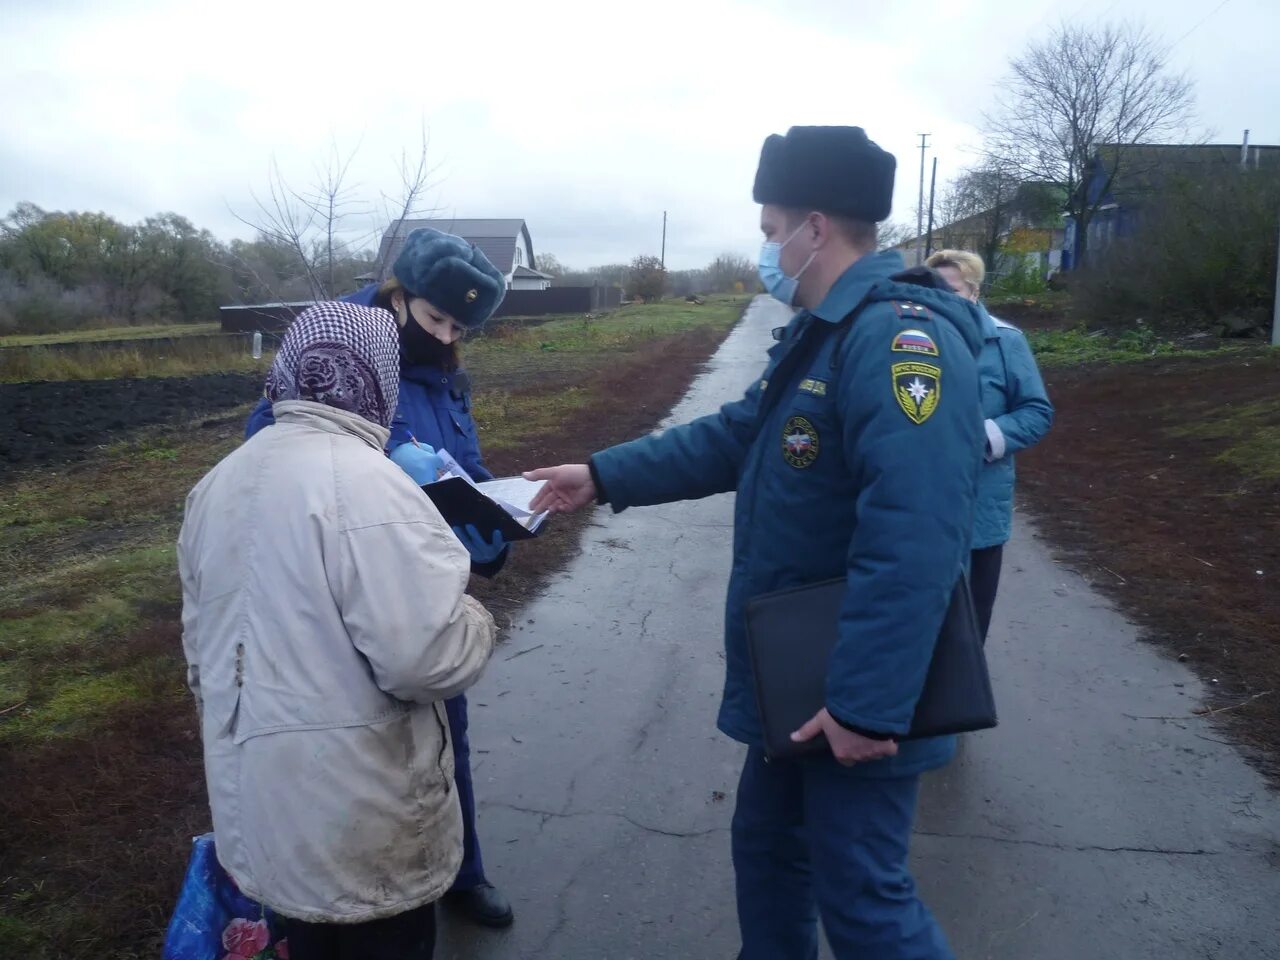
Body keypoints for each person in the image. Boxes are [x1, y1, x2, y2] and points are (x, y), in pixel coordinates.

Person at [526, 126, 987, 959]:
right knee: (770, 859)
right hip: (795, 683)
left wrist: (864, 706)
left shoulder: (897, 341)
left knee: (866, 905)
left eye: (772, 230)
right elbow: (744, 435)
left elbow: (917, 538)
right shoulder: (828, 331)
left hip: (847, 689)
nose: (768, 248)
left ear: (816, 228)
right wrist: (601, 474)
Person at [178, 301, 497, 959]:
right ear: (379, 377)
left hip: (262, 811)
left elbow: (199, 653)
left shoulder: (215, 486)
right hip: (360, 831)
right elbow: (425, 660)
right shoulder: (375, 487)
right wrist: (475, 618)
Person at [243, 228, 517, 927]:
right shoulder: (332, 349)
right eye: (435, 318)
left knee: (439, 738)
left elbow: (463, 456)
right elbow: (270, 442)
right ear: (399, 295)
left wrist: (488, 514)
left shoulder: (444, 371)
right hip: (339, 596)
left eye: (461, 327)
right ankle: (344, 904)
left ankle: (460, 873)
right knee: (352, 757)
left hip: (421, 591)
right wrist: (386, 461)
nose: (447, 335)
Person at [925, 249, 1054, 642]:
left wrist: (982, 438)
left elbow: (1035, 412)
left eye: (953, 290)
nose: (944, 300)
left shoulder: (1005, 342)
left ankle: (963, 702)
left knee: (968, 627)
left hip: (980, 512)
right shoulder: (910, 340)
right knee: (916, 623)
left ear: (974, 292)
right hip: (918, 510)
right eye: (934, 291)